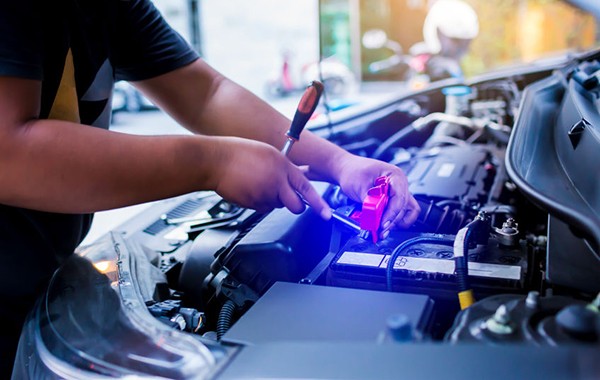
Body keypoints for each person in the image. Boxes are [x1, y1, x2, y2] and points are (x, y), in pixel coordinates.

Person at [0, 0, 420, 375]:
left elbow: (206, 94)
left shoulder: (113, 8)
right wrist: (214, 162)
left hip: (38, 280)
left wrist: (340, 163)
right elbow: (8, 155)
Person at [410, 0, 479, 81]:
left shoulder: (438, 10)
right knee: (453, 65)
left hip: (454, 37)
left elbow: (432, 40)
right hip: (467, 35)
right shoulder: (456, 6)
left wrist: (434, 50)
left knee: (448, 65)